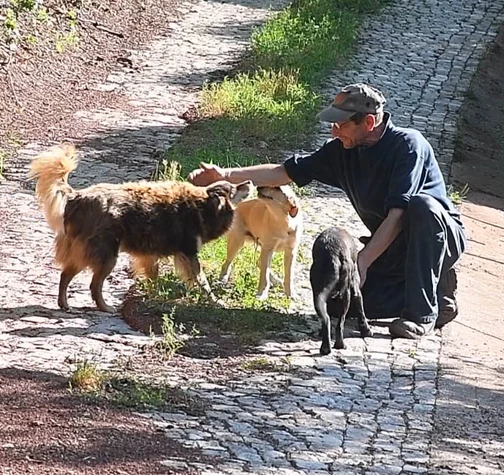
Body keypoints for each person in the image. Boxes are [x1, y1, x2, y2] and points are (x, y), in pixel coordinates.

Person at [187, 83, 467, 339]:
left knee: (421, 206)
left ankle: (421, 315)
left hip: (437, 239)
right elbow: (283, 173)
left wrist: (363, 262)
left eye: (340, 125)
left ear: (369, 122)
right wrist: (225, 175)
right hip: (393, 250)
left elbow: (397, 215)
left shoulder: (408, 146)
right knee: (337, 304)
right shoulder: (342, 151)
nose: (334, 131)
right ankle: (438, 293)